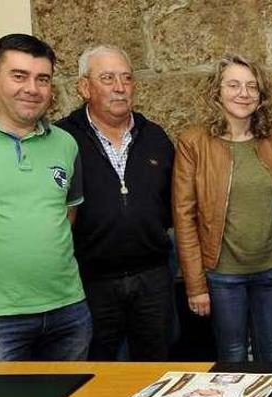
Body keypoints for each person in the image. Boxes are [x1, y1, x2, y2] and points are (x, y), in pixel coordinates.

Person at [0, 34, 91, 361]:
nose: (32, 88)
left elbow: (67, 216)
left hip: (68, 311)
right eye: (19, 76)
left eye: (43, 79)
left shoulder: (66, 144)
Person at [55, 45, 174, 361]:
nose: (120, 87)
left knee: (156, 371)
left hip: (152, 278)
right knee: (95, 373)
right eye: (107, 78)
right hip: (91, 280)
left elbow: (169, 204)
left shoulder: (156, 138)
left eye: (126, 78)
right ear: (84, 87)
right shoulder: (63, 140)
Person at [173, 54, 272, 362]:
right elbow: (184, 217)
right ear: (217, 91)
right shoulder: (193, 142)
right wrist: (196, 285)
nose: (244, 93)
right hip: (224, 275)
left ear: (261, 95)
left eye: (252, 86)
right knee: (233, 357)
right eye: (234, 85)